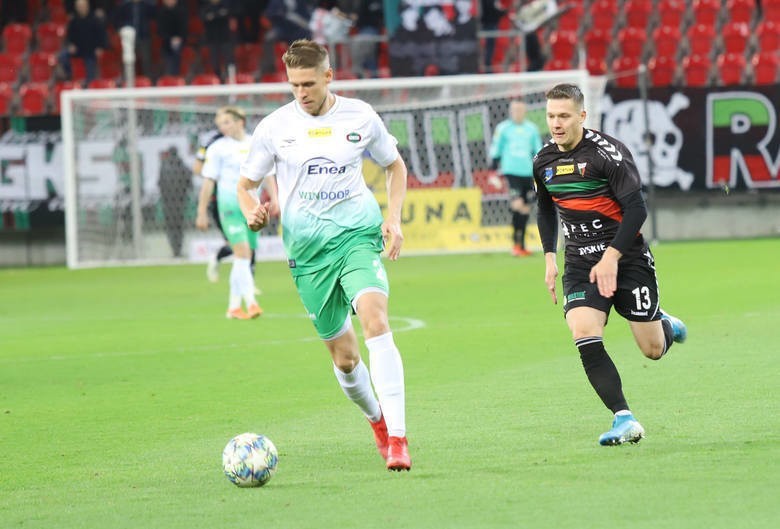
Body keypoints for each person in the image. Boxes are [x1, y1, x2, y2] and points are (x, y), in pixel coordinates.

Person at [236, 39, 412, 471]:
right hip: (307, 252)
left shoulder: (360, 115)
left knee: (376, 318)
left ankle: (400, 439)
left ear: (329, 77)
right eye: (294, 84)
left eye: (309, 83)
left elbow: (395, 165)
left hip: (356, 235)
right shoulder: (275, 126)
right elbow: (245, 185)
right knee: (346, 358)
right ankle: (377, 422)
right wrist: (252, 213)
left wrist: (393, 217)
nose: (301, 92)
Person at [533, 83, 688, 446]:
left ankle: (664, 323)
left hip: (626, 257)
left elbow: (637, 210)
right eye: (551, 116)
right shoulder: (543, 160)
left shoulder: (609, 154)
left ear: (582, 116)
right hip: (580, 262)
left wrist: (611, 257)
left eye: (564, 116)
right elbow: (544, 206)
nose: (556, 123)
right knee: (583, 331)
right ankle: (624, 418)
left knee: (651, 350)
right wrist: (550, 257)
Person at [196, 106, 263, 320]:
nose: (222, 128)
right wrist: (201, 212)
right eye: (220, 124)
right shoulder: (217, 148)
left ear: (240, 121)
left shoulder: (255, 143)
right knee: (242, 252)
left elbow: (268, 174)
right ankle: (251, 302)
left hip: (252, 205)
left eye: (226, 122)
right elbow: (208, 181)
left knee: (246, 255)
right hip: (228, 205)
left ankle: (233, 307)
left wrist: (276, 197)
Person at [489, 98, 543, 257]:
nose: (517, 113)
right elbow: (496, 148)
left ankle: (522, 245)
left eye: (520, 110)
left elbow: (537, 150)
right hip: (511, 171)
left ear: (524, 111)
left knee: (526, 208)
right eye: (514, 110)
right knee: (518, 204)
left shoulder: (531, 129)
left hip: (528, 172)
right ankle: (515, 244)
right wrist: (492, 170)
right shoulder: (503, 128)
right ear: (510, 112)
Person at [59, 0, 107, 84]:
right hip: (78, 49)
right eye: (79, 6)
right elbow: (69, 36)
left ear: (87, 6)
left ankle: (90, 86)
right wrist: (70, 45)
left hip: (90, 51)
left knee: (90, 74)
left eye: (83, 6)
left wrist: (100, 47)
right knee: (63, 56)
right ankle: (69, 74)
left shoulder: (95, 19)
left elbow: (102, 35)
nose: (81, 8)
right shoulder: (74, 21)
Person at [158, 145, 192, 257]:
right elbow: (189, 183)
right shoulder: (182, 166)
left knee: (170, 227)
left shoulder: (164, 167)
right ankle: (179, 249)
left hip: (167, 202)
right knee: (179, 227)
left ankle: (174, 250)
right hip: (180, 201)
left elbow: (160, 184)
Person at [157, 0, 188, 77]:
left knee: (176, 53)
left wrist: (178, 37)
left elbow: (184, 27)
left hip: (179, 39)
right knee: (168, 59)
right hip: (166, 41)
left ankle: (176, 76)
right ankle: (169, 76)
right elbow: (160, 29)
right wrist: (169, 38)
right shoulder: (161, 12)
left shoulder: (181, 11)